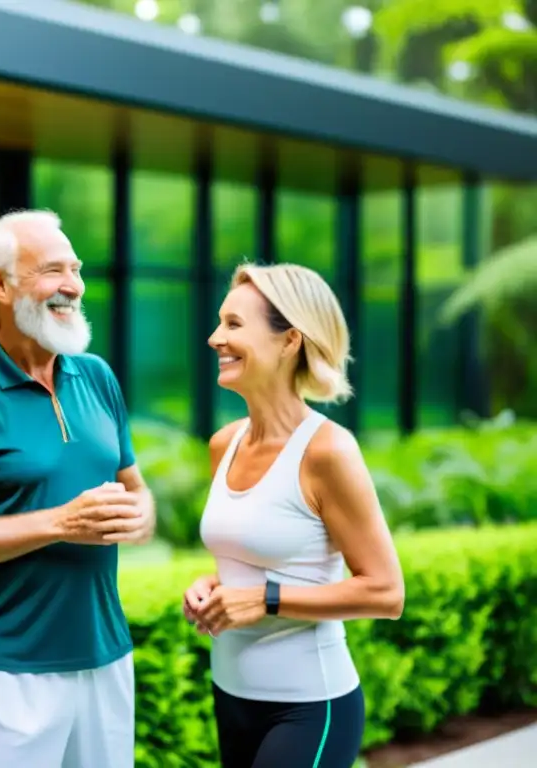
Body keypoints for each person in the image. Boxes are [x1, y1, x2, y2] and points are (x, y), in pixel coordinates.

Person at [0, 209, 156, 768]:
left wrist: (139, 516)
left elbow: (135, 489)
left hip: (106, 658)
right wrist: (63, 523)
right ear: (0, 285)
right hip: (3, 671)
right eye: (53, 270)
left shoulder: (96, 375)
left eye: (75, 269)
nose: (73, 285)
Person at [183, 263, 405, 768]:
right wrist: (211, 586)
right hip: (232, 695)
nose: (216, 337)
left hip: (311, 706)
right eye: (220, 322)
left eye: (235, 324)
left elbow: (386, 592)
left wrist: (266, 599)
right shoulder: (225, 444)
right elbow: (256, 561)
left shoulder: (328, 452)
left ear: (289, 341)